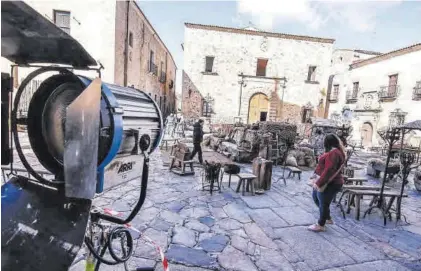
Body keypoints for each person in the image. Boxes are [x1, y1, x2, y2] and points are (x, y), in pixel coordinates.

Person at [308, 133, 346, 232]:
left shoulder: (334, 153)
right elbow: (324, 166)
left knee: (323, 203)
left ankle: (321, 224)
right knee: (316, 198)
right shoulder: (336, 151)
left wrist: (318, 183)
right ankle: (327, 218)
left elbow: (329, 170)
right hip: (329, 181)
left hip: (332, 182)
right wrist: (315, 174)